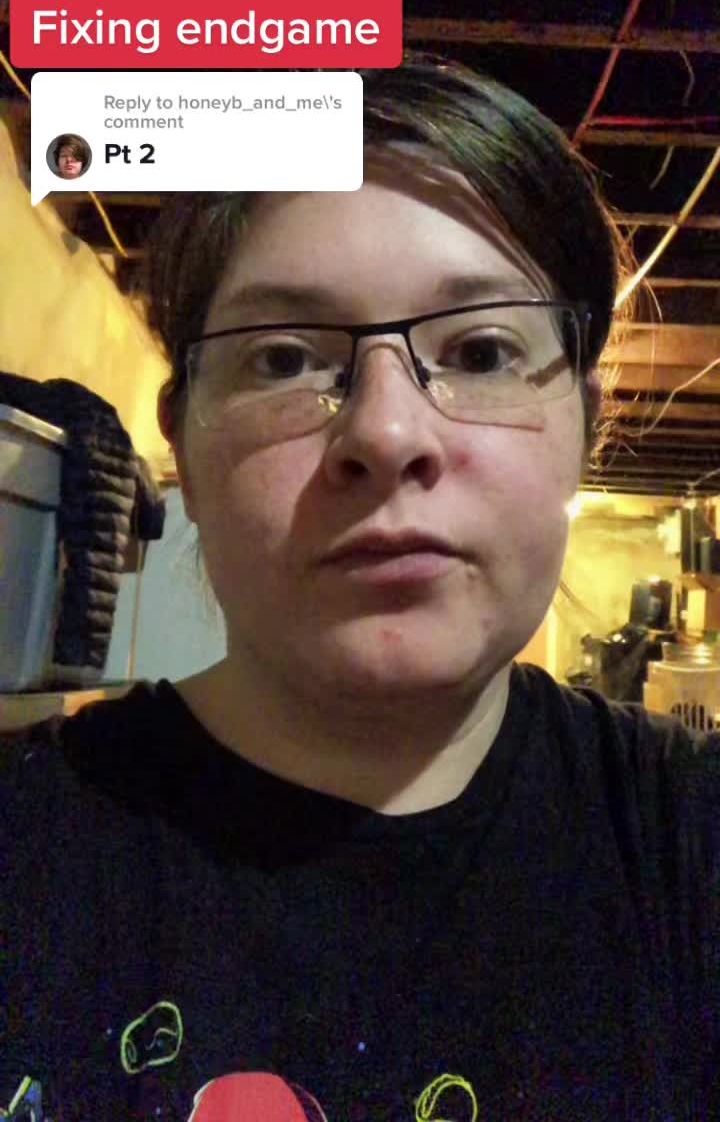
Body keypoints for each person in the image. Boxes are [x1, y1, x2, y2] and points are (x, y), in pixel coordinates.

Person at [3, 55, 719, 1121]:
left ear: (585, 423)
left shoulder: (688, 842)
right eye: (284, 360)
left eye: (483, 349)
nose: (385, 432)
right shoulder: (27, 850)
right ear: (182, 444)